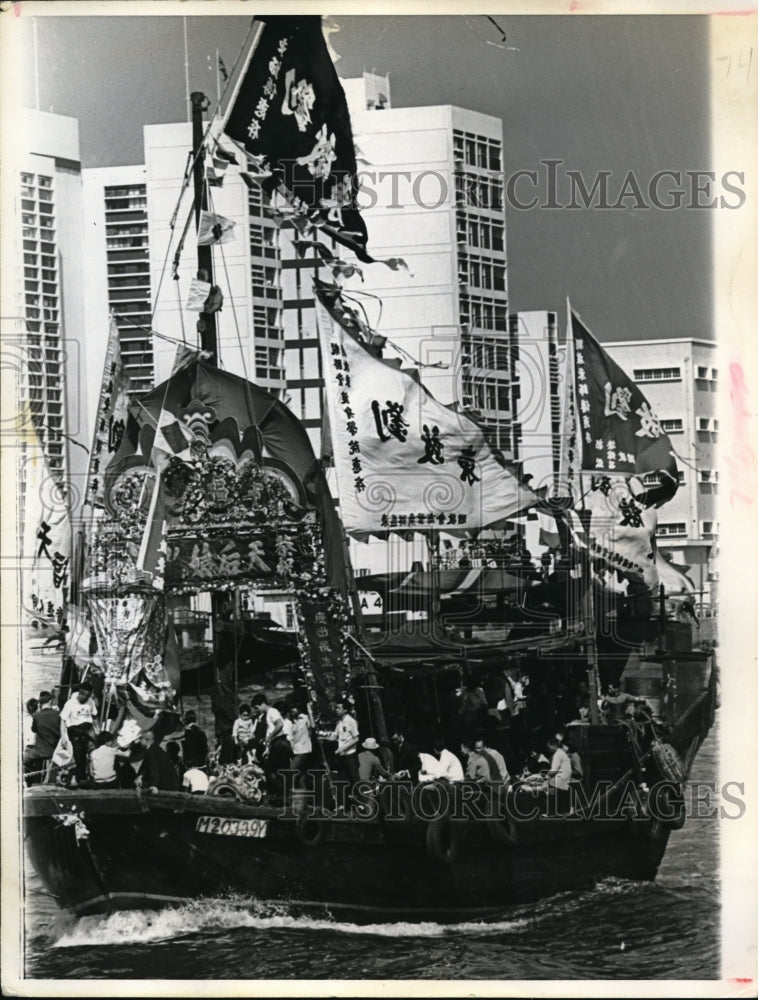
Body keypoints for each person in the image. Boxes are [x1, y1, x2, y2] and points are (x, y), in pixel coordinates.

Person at [252, 693, 291, 805]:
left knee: (271, 770)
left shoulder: (272, 711)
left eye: (257, 707)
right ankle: (280, 797)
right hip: (276, 744)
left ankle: (277, 796)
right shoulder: (269, 713)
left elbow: (280, 725)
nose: (257, 711)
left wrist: (268, 738)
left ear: (262, 704)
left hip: (279, 743)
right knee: (277, 771)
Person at [60, 683, 99, 786]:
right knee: (79, 755)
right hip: (76, 730)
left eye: (88, 696)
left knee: (94, 753)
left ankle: (93, 776)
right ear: (80, 693)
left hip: (88, 729)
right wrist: (63, 736)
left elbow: (94, 717)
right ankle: (80, 778)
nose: (85, 698)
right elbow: (63, 720)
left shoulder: (91, 702)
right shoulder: (70, 703)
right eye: (84, 695)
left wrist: (97, 730)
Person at [25, 691, 61, 785]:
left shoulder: (36, 716)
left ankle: (29, 782)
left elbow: (34, 729)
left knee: (25, 760)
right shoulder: (58, 714)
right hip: (55, 751)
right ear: (50, 701)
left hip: (40, 751)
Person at [283, 704, 312, 789]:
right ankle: (303, 798)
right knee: (301, 776)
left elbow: (312, 727)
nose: (292, 709)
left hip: (304, 751)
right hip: (294, 751)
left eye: (294, 707)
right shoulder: (289, 721)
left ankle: (289, 796)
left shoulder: (305, 718)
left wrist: (310, 711)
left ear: (299, 708)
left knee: (291, 771)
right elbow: (289, 737)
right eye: (290, 708)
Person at [545, 736, 572, 813]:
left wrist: (545, 775)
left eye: (549, 747)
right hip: (564, 777)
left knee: (549, 788)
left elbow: (553, 771)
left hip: (561, 778)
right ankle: (557, 810)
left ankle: (551, 810)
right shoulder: (561, 752)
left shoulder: (557, 755)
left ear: (554, 745)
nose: (549, 749)